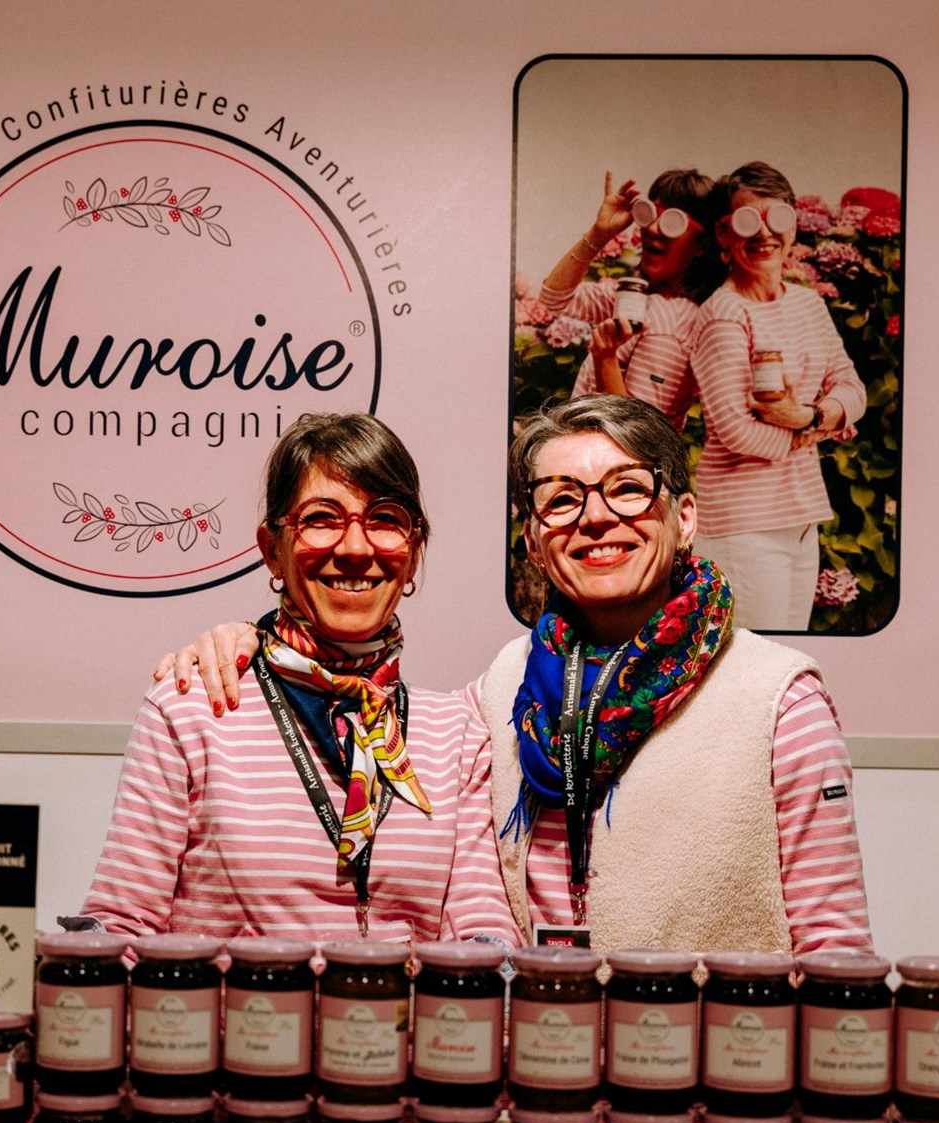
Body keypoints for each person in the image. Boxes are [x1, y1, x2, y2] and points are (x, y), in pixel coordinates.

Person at [157, 396, 870, 956]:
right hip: (537, 1061)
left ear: (683, 517)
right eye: (561, 499)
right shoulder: (500, 691)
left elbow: (835, 948)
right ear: (531, 537)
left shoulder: (777, 699)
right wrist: (246, 643)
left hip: (712, 1074)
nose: (595, 518)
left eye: (627, 489)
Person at [80, 412, 519, 943]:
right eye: (322, 519)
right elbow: (122, 925)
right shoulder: (192, 708)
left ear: (413, 553)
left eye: (384, 519)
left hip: (402, 1000)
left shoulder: (456, 733)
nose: (355, 548)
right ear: (272, 550)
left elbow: (482, 931)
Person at [688, 161, 868, 631]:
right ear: (724, 233)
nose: (764, 233)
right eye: (749, 220)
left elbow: (852, 388)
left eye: (778, 218)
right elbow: (735, 429)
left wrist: (810, 416)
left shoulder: (807, 303)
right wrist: (811, 430)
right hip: (743, 528)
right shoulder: (723, 314)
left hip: (800, 520)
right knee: (754, 661)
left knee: (788, 656)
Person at [537, 168, 721, 415]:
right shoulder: (641, 300)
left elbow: (636, 426)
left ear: (703, 245)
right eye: (650, 213)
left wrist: (605, 358)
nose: (653, 228)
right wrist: (600, 232)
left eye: (673, 222)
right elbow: (554, 296)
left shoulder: (670, 323)